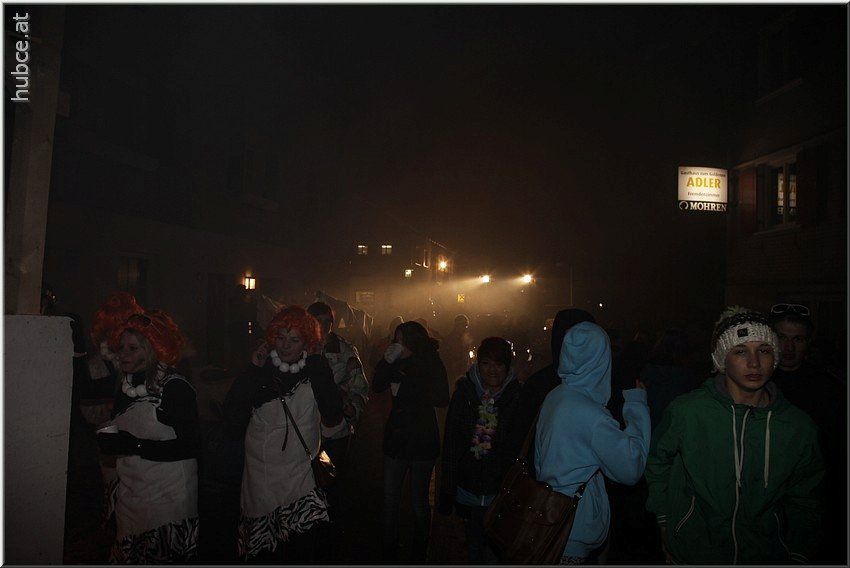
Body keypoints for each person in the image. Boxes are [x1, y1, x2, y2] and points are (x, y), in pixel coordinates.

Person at [645, 307, 825, 564]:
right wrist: (665, 521)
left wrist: (799, 553)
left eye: (764, 350)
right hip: (695, 552)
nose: (754, 363)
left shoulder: (797, 426)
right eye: (741, 351)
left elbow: (806, 497)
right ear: (722, 359)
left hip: (766, 555)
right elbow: (657, 463)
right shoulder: (688, 412)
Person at [223, 306, 344, 563]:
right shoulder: (261, 369)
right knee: (267, 552)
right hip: (263, 477)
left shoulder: (314, 367)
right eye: (281, 337)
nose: (286, 345)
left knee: (301, 548)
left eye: (294, 339)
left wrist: (317, 366)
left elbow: (333, 414)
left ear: (306, 342)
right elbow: (232, 418)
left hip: (301, 475)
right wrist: (252, 369)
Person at [534, 321, 651, 564]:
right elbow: (631, 468)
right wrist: (637, 405)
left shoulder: (555, 396)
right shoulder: (591, 415)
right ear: (602, 359)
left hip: (548, 516)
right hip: (571, 529)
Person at [96, 310, 200, 563]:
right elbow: (83, 389)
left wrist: (134, 445)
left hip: (168, 501)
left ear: (154, 349)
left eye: (133, 348)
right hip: (131, 496)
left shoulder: (175, 387)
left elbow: (191, 446)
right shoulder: (126, 385)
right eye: (121, 347)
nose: (123, 354)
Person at [768, 303, 846, 563]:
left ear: (808, 342)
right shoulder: (753, 382)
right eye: (782, 337)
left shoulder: (829, 389)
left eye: (798, 339)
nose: (788, 347)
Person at [438, 337, 523, 564]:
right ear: (478, 364)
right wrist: (447, 492)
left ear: (507, 366)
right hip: (469, 489)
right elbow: (451, 444)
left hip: (500, 493)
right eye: (486, 363)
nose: (492, 370)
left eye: (498, 364)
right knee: (473, 548)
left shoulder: (517, 397)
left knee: (496, 552)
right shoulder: (465, 393)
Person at [371, 321, 450, 563]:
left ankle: (420, 550)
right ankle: (389, 550)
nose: (397, 345)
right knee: (389, 499)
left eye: (401, 341)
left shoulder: (430, 361)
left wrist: (410, 374)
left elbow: (441, 397)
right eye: (395, 340)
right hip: (397, 438)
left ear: (414, 342)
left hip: (421, 439)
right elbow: (377, 386)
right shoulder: (394, 361)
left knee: (418, 500)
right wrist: (386, 361)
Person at [518, 308, 596, 471]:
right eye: (571, 336)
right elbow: (521, 433)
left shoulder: (605, 382)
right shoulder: (540, 383)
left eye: (584, 336)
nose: (576, 343)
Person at [306, 302, 369, 469]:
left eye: (327, 321)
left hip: (335, 430)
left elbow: (359, 386)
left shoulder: (346, 350)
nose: (323, 325)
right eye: (318, 320)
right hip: (305, 427)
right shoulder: (299, 347)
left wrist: (352, 410)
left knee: (331, 474)